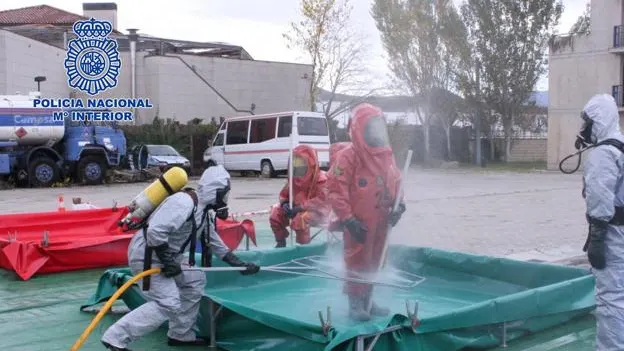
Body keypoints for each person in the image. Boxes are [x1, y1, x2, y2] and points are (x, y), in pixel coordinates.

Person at [101, 165, 260, 350]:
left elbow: (215, 243)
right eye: (223, 193)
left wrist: (240, 265)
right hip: (147, 256)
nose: (225, 198)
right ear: (214, 190)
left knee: (195, 280)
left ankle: (181, 334)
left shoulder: (203, 212)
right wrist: (168, 261)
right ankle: (115, 338)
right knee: (168, 302)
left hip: (167, 256)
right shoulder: (183, 203)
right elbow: (155, 231)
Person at [327, 103, 406, 321]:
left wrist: (399, 207)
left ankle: (368, 301)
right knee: (357, 261)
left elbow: (397, 184)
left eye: (379, 127)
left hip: (381, 222)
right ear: (360, 129)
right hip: (358, 223)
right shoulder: (348, 156)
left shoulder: (387, 157)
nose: (377, 132)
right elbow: (335, 188)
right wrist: (349, 219)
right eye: (372, 127)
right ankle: (355, 303)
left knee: (375, 261)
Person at [578, 94, 624, 351]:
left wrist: (597, 238)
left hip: (613, 235)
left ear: (599, 120)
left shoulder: (604, 154)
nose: (584, 129)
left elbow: (600, 199)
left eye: (588, 122)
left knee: (611, 298)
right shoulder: (621, 145)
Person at [270, 144, 331, 247]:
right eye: (295, 163)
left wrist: (300, 208)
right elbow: (284, 194)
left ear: (310, 164)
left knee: (301, 219)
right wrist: (285, 203)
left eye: (301, 163)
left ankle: (303, 247)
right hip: (296, 210)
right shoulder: (293, 180)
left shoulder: (322, 180)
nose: (297, 167)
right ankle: (280, 241)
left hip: (319, 213)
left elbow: (321, 201)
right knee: (275, 213)